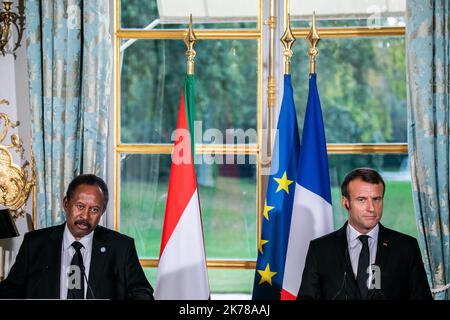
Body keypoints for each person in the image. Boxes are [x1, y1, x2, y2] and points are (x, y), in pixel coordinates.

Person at [0, 174, 154, 299]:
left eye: (94, 209)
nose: (85, 216)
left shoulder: (121, 247)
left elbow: (142, 293)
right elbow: (10, 292)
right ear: (66, 204)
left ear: (102, 211)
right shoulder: (35, 244)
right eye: (80, 206)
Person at [298, 168, 432, 300]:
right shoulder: (321, 249)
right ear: (346, 203)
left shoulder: (406, 247)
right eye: (362, 200)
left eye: (376, 199)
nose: (371, 208)